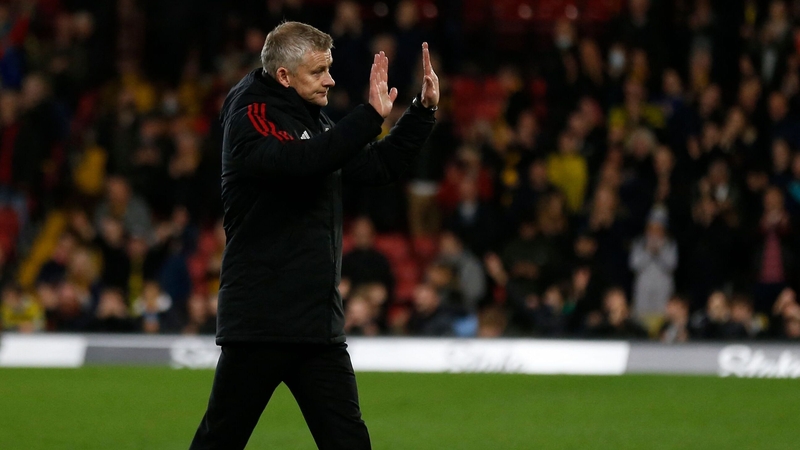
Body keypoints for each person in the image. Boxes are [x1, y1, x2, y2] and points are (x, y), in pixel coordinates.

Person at [190, 21, 439, 450]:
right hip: (262, 323)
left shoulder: (311, 119)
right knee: (220, 441)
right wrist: (368, 117)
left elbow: (375, 166)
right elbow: (303, 161)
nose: (331, 79)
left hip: (316, 325)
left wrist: (420, 113)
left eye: (329, 68)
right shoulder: (252, 115)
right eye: (319, 71)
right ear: (284, 76)